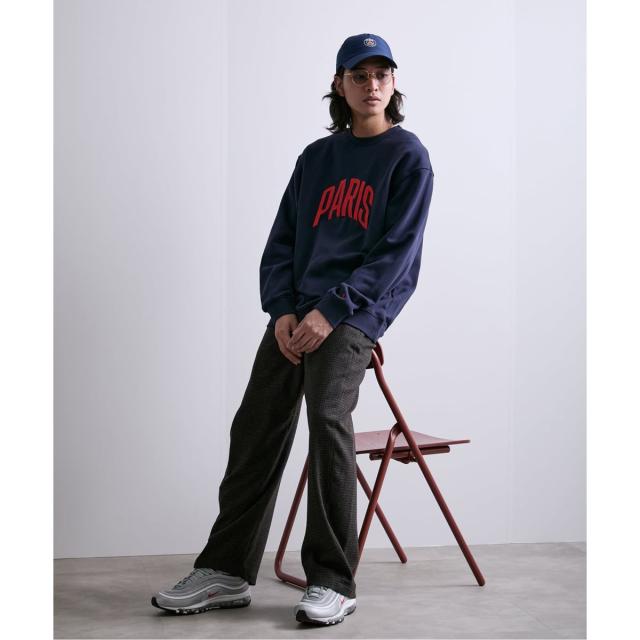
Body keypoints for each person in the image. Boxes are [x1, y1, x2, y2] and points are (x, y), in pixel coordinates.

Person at [151, 32, 434, 626]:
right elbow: (282, 240)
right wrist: (281, 309)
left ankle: (333, 580)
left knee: (327, 422)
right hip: (296, 313)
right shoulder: (317, 158)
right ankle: (226, 570)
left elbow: (397, 255)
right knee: (256, 425)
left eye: (382, 75)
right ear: (339, 85)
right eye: (359, 76)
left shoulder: (407, 156)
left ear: (394, 83)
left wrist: (332, 310)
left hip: (353, 314)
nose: (372, 85)